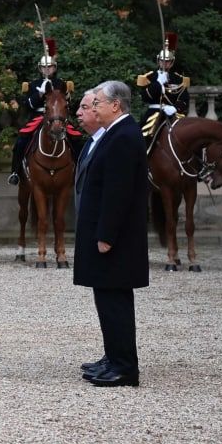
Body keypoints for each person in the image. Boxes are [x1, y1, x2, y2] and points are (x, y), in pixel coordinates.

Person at [73, 81, 150, 387]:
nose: (93, 109)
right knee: (107, 299)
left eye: (97, 105)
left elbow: (117, 193)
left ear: (115, 105)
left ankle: (124, 367)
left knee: (115, 301)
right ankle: (114, 356)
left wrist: (106, 234)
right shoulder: (115, 134)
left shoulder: (123, 136)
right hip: (107, 235)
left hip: (115, 238)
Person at [8, 38, 81, 186]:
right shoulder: (33, 84)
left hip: (58, 118)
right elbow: (28, 105)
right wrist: (39, 94)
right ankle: (15, 172)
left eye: (50, 67)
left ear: (54, 68)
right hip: (38, 116)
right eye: (44, 67)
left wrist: (65, 96)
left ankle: (79, 169)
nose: (47, 70)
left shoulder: (62, 84)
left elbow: (69, 103)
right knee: (21, 140)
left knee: (77, 139)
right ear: (40, 69)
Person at [137, 32, 189, 146]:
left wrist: (175, 108)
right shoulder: (150, 77)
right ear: (158, 60)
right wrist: (157, 83)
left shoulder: (178, 79)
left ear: (172, 62)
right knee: (141, 136)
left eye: (167, 61)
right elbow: (145, 97)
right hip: (153, 113)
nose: (165, 63)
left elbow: (184, 99)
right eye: (162, 61)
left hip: (174, 113)